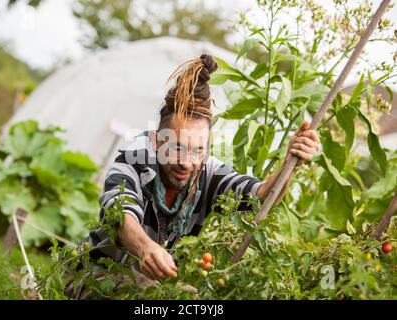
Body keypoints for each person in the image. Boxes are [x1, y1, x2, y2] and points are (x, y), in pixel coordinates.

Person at [71, 54, 320, 296]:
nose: (186, 163)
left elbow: (261, 197)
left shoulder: (208, 171)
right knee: (150, 293)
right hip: (93, 277)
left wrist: (290, 163)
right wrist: (146, 248)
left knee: (190, 296)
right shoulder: (135, 158)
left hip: (146, 286)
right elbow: (120, 214)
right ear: (158, 141)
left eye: (197, 150)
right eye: (176, 147)